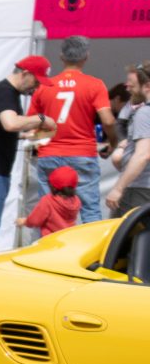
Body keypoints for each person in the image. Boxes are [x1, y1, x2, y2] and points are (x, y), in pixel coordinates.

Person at [0, 55, 51, 255]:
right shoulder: (4, 92)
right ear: (25, 74)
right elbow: (10, 123)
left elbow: (5, 129)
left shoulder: (7, 94)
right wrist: (39, 119)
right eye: (36, 81)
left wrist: (25, 136)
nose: (36, 87)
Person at [32, 37, 113, 224]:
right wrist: (113, 141)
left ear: (61, 57)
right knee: (90, 210)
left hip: (49, 153)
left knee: (49, 211)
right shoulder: (95, 85)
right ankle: (92, 252)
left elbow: (33, 122)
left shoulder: (44, 86)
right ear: (86, 56)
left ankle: (50, 251)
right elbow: (108, 120)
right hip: (82, 153)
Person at [111, 65, 150, 213]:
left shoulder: (145, 113)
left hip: (140, 187)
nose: (128, 89)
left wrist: (118, 188)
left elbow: (142, 155)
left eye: (132, 86)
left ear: (147, 86)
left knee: (122, 233)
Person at [23, 164, 84, 237]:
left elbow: (35, 221)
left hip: (50, 242)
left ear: (52, 186)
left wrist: (25, 222)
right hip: (69, 239)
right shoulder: (76, 201)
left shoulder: (48, 200)